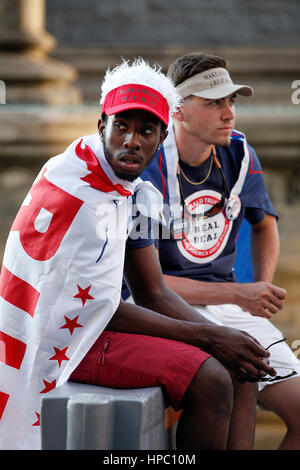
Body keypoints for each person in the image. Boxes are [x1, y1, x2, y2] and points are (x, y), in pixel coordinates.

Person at [0, 58, 274, 451]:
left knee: (240, 369)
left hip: (94, 323)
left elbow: (153, 291)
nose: (132, 141)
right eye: (121, 127)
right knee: (212, 376)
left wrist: (227, 337)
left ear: (162, 136)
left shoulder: (127, 186)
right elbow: (101, 308)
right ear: (101, 127)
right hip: (62, 336)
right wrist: (210, 336)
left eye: (146, 130)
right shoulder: (80, 192)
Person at [131, 52, 300, 450]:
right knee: (235, 371)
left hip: (231, 301)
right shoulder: (147, 164)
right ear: (179, 111)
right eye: (214, 103)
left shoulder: (240, 154)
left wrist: (259, 287)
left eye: (232, 101)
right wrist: (240, 293)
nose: (229, 114)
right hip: (165, 307)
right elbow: (145, 287)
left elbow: (265, 224)